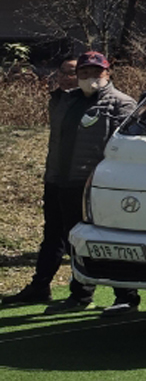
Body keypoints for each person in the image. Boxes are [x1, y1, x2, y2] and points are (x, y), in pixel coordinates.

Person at [6, 53, 136, 313]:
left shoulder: (121, 103)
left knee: (104, 241)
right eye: (84, 72)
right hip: (59, 180)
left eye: (96, 72)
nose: (90, 77)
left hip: (94, 185)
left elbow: (125, 148)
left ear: (108, 73)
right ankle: (66, 292)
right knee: (65, 238)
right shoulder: (66, 101)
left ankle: (125, 296)